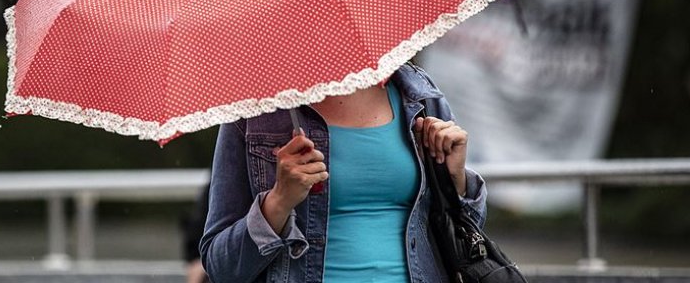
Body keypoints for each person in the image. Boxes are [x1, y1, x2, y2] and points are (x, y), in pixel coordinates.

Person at [199, 63, 487, 283]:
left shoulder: (417, 94)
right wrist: (277, 203)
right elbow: (221, 267)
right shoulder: (256, 112)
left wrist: (456, 181)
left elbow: (467, 236)